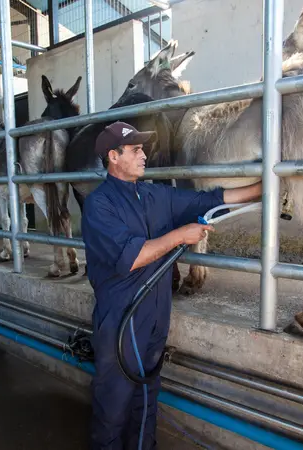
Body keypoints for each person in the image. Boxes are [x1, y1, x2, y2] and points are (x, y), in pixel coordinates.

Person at [81, 121, 263, 450]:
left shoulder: (155, 194)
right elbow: (131, 256)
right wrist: (181, 235)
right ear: (113, 156)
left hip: (156, 314)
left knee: (147, 398)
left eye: (142, 148)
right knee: (114, 404)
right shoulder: (100, 205)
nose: (143, 154)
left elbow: (210, 199)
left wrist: (263, 188)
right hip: (122, 318)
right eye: (135, 149)